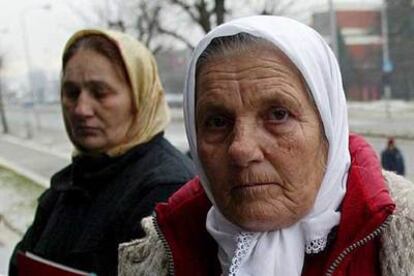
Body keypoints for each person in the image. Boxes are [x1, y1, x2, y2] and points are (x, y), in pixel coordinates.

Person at [118, 16, 414, 275]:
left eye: (278, 115)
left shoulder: (404, 233)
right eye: (218, 122)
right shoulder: (159, 249)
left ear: (329, 127)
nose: (241, 150)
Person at [9, 29, 195, 276]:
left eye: (100, 93)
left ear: (140, 98)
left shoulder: (167, 190)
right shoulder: (71, 182)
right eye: (71, 92)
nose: (81, 109)